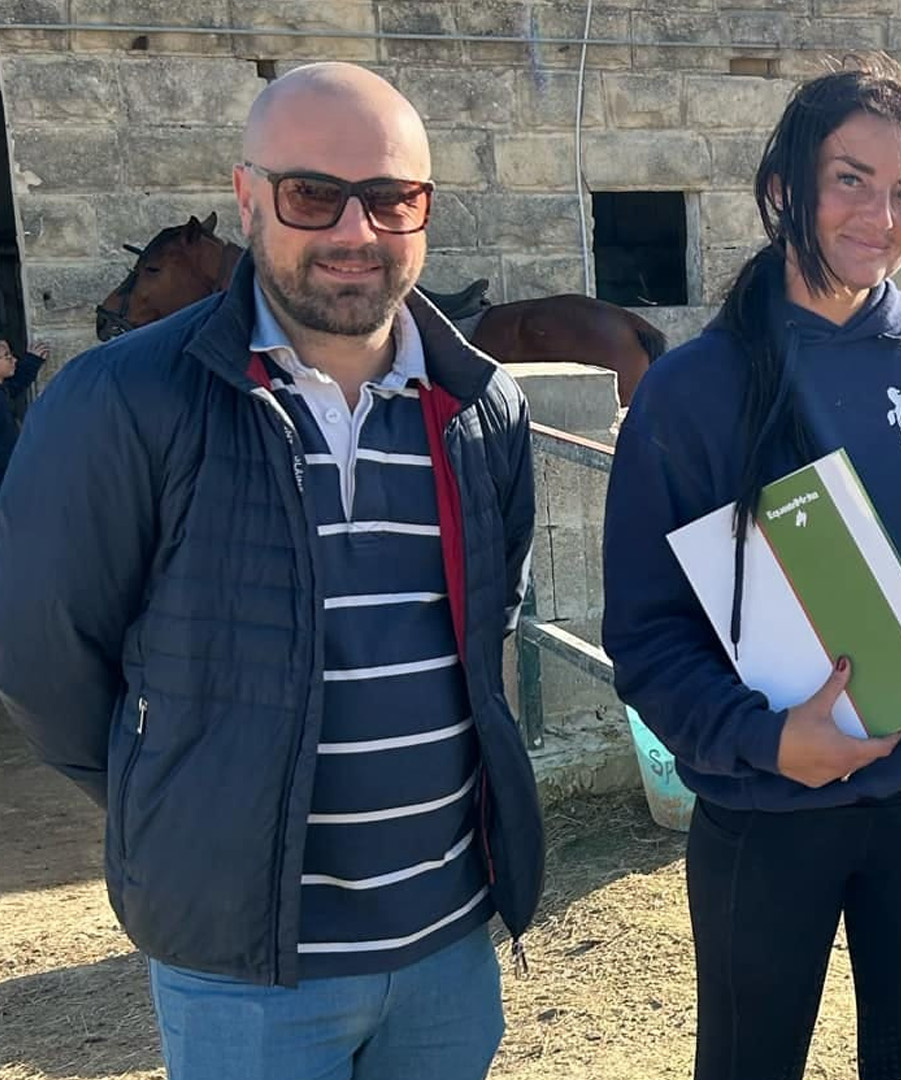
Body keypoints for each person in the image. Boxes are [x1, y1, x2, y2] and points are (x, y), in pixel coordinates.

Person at [0, 63, 542, 1080]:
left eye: (390, 199)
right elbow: (44, 659)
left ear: (425, 210)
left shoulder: (484, 411)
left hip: (450, 947)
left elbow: (487, 626)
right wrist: (181, 795)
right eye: (311, 194)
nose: (354, 231)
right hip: (247, 973)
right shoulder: (122, 403)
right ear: (248, 199)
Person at [601, 57, 901, 1080]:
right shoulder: (694, 389)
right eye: (851, 180)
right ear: (785, 187)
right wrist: (763, 740)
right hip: (763, 816)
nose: (880, 215)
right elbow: (648, 634)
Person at [0, 338, 48, 485]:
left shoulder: (3, 390)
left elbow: (15, 384)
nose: (13, 360)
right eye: (7, 356)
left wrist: (33, 361)